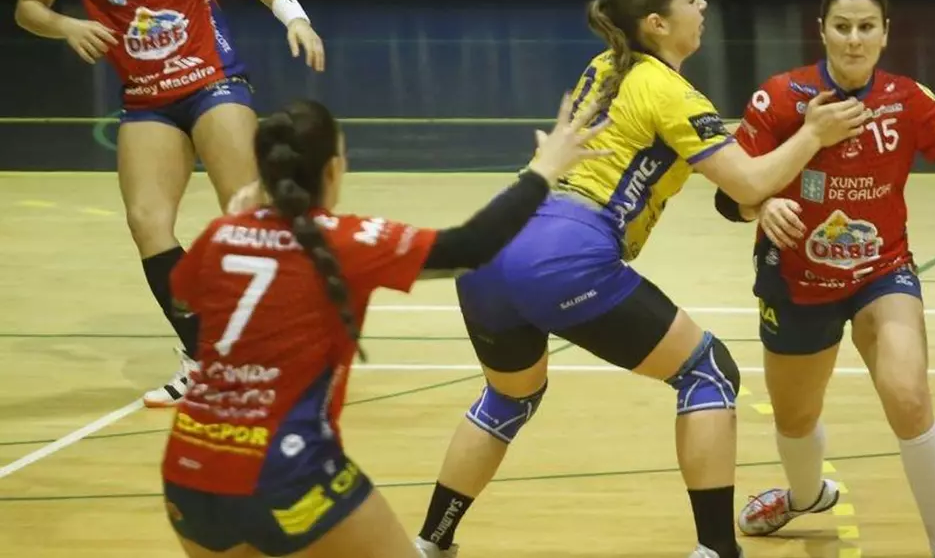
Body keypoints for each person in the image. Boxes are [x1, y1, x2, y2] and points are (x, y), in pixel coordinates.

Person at [411, 0, 870, 558]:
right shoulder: (671, 92)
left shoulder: (606, 65)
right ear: (657, 23)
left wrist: (754, 186)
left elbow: (703, 159)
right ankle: (716, 549)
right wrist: (811, 135)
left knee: (508, 397)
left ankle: (431, 542)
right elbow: (747, 180)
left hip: (489, 245)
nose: (703, 6)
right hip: (563, 252)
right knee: (707, 371)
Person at [160, 94, 609, 558]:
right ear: (334, 169)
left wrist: (237, 223)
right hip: (285, 473)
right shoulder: (344, 240)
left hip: (189, 469)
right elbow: (469, 247)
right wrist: (543, 172)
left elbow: (182, 298)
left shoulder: (220, 235)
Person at [714, 0, 935, 558]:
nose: (854, 39)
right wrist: (762, 205)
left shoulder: (906, 100)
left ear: (886, 33)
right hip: (795, 278)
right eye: (842, 27)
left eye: (866, 27)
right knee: (795, 418)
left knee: (908, 396)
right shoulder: (782, 98)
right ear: (822, 30)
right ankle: (805, 496)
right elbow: (728, 198)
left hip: (881, 273)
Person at [13, 0, 325, 408]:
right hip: (146, 98)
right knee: (147, 222)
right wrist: (66, 26)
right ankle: (204, 357)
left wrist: (295, 17)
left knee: (247, 211)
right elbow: (28, 7)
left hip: (212, 81)